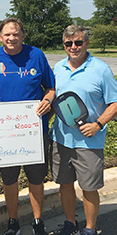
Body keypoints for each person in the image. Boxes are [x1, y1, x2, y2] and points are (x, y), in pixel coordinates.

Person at [0, 18, 55, 235]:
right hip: (5, 133)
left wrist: (48, 100)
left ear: (23, 36)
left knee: (35, 179)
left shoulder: (37, 55)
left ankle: (37, 221)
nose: (11, 38)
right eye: (7, 34)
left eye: (15, 34)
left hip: (33, 131)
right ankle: (12, 221)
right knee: (9, 180)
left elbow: (50, 88)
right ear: (1, 37)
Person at [50, 25, 117, 235]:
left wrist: (98, 124)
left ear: (86, 43)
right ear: (64, 45)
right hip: (60, 138)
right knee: (65, 184)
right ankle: (70, 223)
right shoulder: (58, 68)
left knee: (89, 188)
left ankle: (90, 228)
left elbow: (114, 102)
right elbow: (53, 95)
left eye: (78, 42)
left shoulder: (101, 69)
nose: (73, 47)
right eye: (69, 43)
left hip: (89, 142)